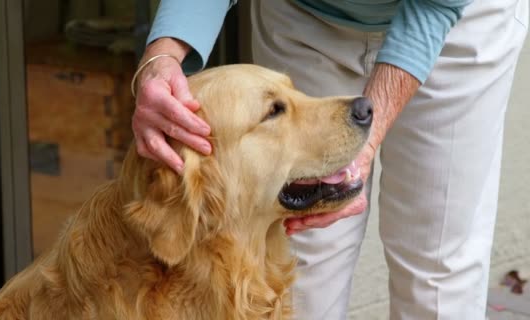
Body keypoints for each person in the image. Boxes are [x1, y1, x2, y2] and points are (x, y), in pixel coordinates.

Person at [131, 0, 528, 319]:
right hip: (306, 17)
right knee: (303, 265)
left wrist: (363, 148)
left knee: (438, 268)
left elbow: (435, 7)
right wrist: (161, 57)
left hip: (454, 19)